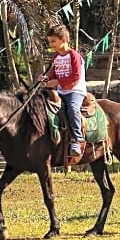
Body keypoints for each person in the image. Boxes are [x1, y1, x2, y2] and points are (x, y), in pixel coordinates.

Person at [41, 24, 88, 161]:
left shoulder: (74, 55)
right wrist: (46, 79)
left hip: (75, 91)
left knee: (73, 109)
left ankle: (77, 140)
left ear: (63, 40)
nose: (51, 44)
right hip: (61, 92)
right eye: (50, 41)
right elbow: (53, 75)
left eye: (53, 41)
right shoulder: (56, 57)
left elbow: (75, 77)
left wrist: (57, 82)